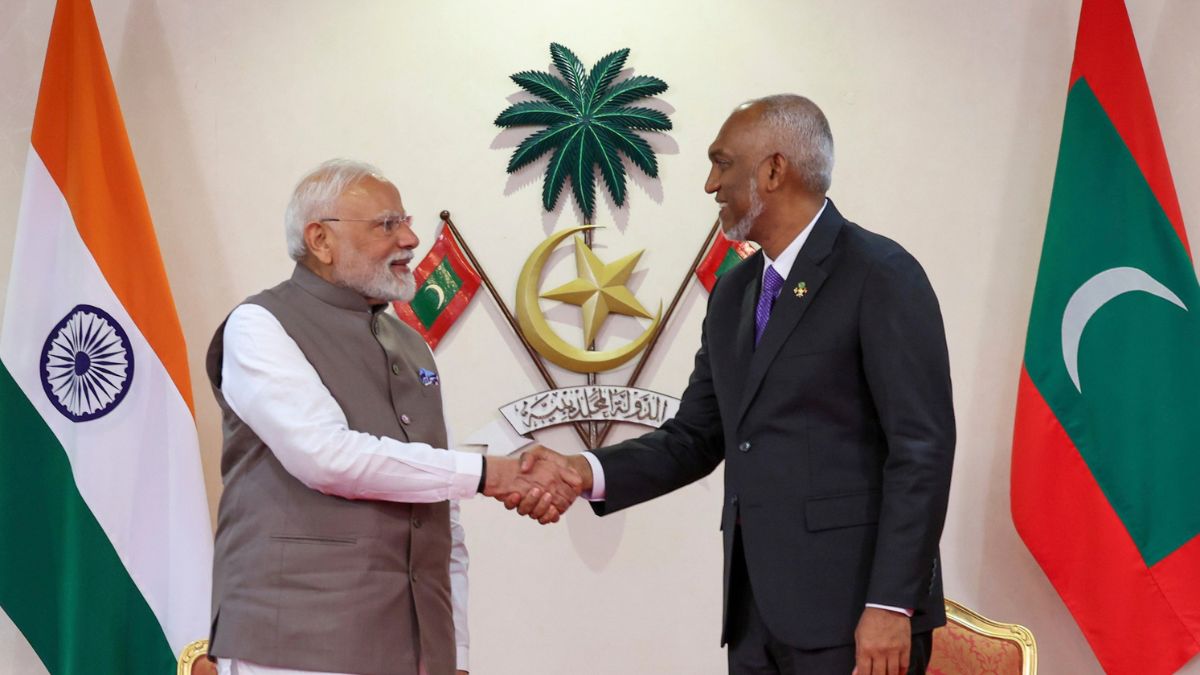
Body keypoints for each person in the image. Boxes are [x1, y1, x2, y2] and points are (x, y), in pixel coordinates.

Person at [518, 95, 955, 675]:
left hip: (855, 619)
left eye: (722, 163)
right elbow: (696, 436)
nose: (709, 184)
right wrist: (584, 472)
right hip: (755, 619)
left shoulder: (879, 273)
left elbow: (922, 449)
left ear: (775, 170)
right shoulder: (734, 294)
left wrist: (890, 603)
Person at [205, 159, 581, 675]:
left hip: (418, 650)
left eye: (406, 222)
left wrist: (456, 651)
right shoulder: (259, 325)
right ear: (320, 239)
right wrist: (488, 473)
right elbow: (325, 457)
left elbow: (441, 509)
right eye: (387, 224)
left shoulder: (408, 342)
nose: (410, 239)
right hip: (296, 646)